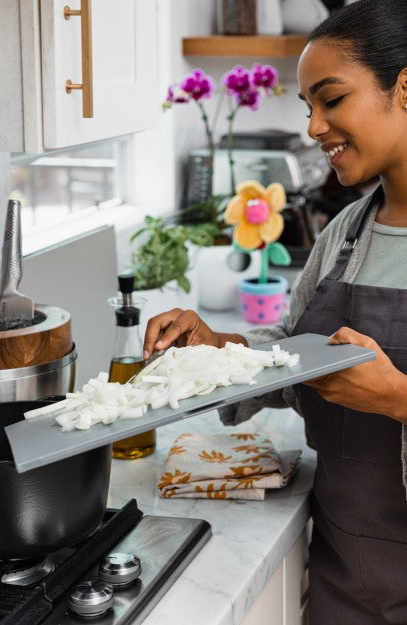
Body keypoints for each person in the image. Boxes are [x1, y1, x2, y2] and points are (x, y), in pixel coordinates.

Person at [143, 1, 407, 623]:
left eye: (332, 99)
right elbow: (296, 355)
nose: (314, 127)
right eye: (306, 107)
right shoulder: (345, 233)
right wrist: (222, 351)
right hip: (347, 581)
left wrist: (397, 397)